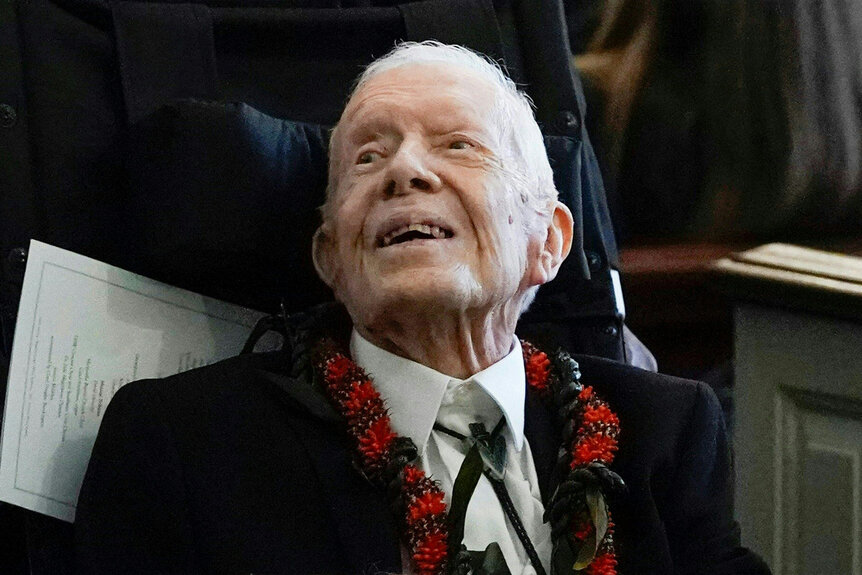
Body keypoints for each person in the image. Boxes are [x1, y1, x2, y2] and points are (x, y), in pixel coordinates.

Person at [75, 42, 769, 575]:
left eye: (457, 145)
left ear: (549, 241)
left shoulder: (665, 432)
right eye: (367, 158)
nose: (406, 171)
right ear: (330, 257)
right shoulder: (185, 445)